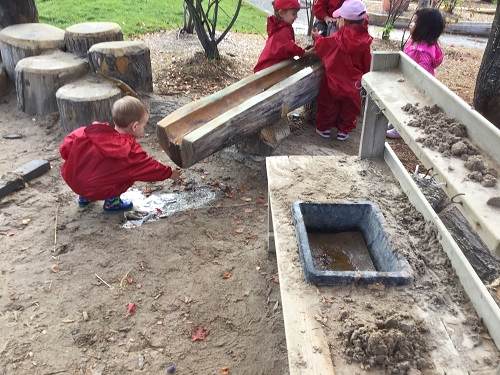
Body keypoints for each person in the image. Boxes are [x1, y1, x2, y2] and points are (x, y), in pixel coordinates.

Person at [59, 96, 182, 213]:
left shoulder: (92, 132)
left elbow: (65, 148)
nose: (144, 129)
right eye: (143, 125)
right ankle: (112, 202)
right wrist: (169, 173)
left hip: (73, 180)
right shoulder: (128, 150)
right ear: (134, 126)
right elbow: (148, 167)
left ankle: (85, 198)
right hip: (94, 188)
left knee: (92, 167)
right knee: (129, 174)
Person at [312, 0, 372, 141]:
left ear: (343, 21)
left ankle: (324, 128)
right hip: (354, 82)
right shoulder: (365, 41)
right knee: (349, 108)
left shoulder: (338, 37)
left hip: (334, 80)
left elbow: (323, 46)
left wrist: (317, 37)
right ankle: (344, 130)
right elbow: (366, 62)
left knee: (328, 103)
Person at [387, 7, 445, 139]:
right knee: (401, 101)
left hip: (416, 85)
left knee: (409, 104)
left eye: (414, 22)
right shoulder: (415, 41)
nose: (411, 24)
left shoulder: (423, 50)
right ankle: (395, 122)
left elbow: (422, 72)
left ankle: (400, 128)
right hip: (407, 79)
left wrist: (416, 82)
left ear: (423, 28)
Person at [254, 0, 316, 73]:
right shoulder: (283, 30)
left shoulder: (279, 26)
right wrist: (304, 53)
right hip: (268, 70)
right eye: (294, 14)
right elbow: (290, 47)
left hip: (267, 67)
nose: (296, 17)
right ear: (281, 13)